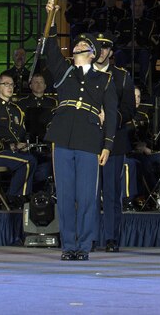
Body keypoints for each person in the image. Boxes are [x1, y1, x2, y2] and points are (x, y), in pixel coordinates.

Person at [42, 14, 117, 261]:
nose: (78, 47)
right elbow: (50, 50)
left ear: (93, 54)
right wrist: (51, 19)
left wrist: (107, 145)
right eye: (76, 45)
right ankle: (68, 245)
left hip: (88, 138)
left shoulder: (104, 79)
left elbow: (112, 115)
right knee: (64, 194)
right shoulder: (65, 73)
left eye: (84, 46)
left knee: (86, 196)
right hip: (63, 136)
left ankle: (83, 245)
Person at [93, 31, 136, 252]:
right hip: (88, 140)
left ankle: (111, 237)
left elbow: (130, 110)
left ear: (111, 51)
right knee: (88, 192)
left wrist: (109, 117)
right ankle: (88, 237)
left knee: (111, 192)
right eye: (98, 47)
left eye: (106, 48)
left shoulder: (122, 76)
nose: (102, 52)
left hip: (115, 141)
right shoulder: (84, 73)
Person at [0, 74, 36, 209]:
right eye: (6, 84)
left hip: (15, 149)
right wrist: (10, 145)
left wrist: (21, 145)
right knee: (28, 162)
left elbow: (21, 132)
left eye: (12, 84)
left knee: (35, 160)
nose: (10, 87)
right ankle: (14, 198)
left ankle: (24, 198)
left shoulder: (17, 110)